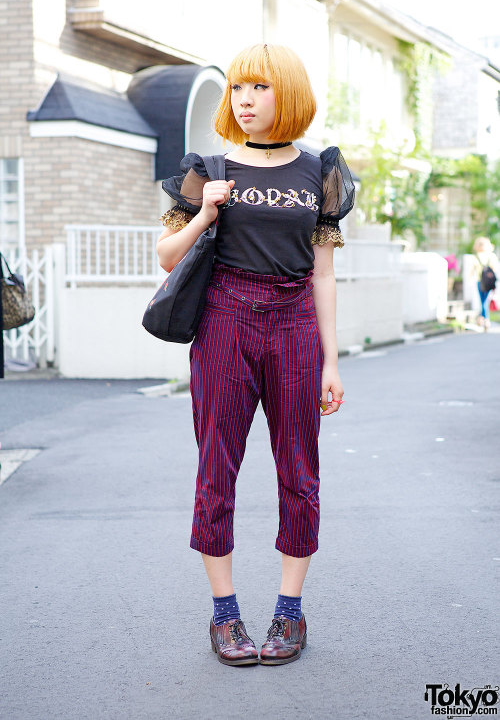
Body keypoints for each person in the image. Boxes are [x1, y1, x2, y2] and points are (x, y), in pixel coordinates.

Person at [155, 43, 355, 667]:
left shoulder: (320, 170)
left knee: (299, 468)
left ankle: (289, 615)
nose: (244, 99)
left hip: (295, 320)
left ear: (288, 93)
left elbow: (323, 272)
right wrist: (206, 209)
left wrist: (331, 360)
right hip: (225, 320)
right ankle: (225, 615)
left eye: (260, 88)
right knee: (217, 466)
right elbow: (166, 257)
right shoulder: (207, 167)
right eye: (238, 88)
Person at [470, 237, 499, 331]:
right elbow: (494, 269)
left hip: (480, 282)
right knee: (485, 301)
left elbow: (472, 271)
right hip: (488, 282)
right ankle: (485, 320)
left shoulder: (476, 256)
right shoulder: (491, 256)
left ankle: (484, 319)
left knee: (483, 301)